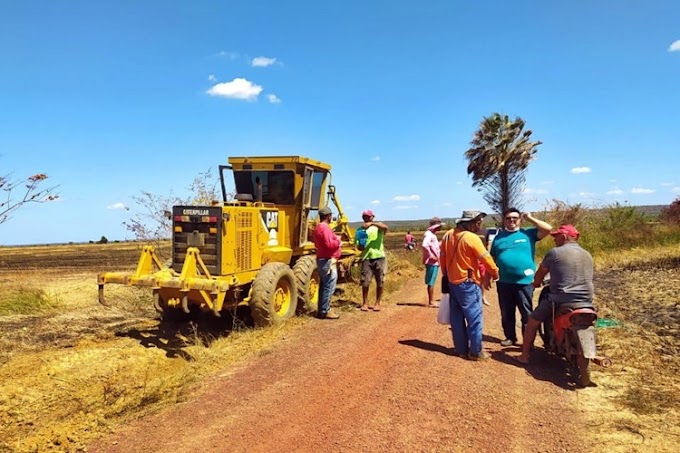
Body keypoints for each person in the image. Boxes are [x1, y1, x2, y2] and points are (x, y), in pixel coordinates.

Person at [516, 224, 594, 364]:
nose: (554, 239)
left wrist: (535, 283)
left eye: (556, 236)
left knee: (532, 321)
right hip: (586, 299)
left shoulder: (555, 253)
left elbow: (541, 273)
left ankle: (524, 356)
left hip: (561, 299)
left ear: (564, 237)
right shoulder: (587, 254)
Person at [440, 210, 499, 360]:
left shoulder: (447, 235)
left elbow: (442, 259)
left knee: (456, 317)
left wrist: (447, 275)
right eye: (478, 222)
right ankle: (476, 351)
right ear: (470, 223)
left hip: (452, 282)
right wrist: (495, 273)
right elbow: (486, 257)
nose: (480, 225)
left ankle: (460, 349)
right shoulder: (471, 238)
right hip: (469, 283)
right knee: (474, 318)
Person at [489, 209, 552, 347]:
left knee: (526, 312)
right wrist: (490, 274)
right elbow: (492, 257)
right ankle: (510, 337)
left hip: (524, 282)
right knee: (506, 311)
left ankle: (527, 341)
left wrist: (530, 218)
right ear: (504, 220)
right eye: (508, 218)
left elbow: (548, 229)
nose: (511, 220)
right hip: (504, 281)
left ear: (520, 220)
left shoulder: (528, 233)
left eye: (515, 218)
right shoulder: (498, 237)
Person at [354, 209, 388, 312]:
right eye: (364, 217)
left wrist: (372, 224)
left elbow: (385, 228)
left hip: (379, 257)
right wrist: (361, 245)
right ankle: (365, 303)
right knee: (365, 282)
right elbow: (359, 247)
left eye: (368, 217)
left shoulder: (378, 227)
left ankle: (377, 303)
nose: (366, 219)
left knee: (380, 281)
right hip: (366, 258)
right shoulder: (360, 230)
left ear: (372, 217)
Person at [312, 206, 342, 319]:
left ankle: (322, 310)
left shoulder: (318, 228)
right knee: (329, 286)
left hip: (322, 258)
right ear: (329, 216)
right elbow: (329, 244)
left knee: (324, 285)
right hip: (328, 260)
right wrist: (338, 241)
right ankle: (325, 310)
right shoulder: (325, 228)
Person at [422, 217, 445, 307]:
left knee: (432, 280)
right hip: (432, 262)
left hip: (434, 262)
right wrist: (431, 256)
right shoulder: (429, 235)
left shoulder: (432, 235)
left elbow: (433, 246)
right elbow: (425, 245)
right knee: (431, 281)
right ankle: (431, 301)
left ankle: (431, 300)